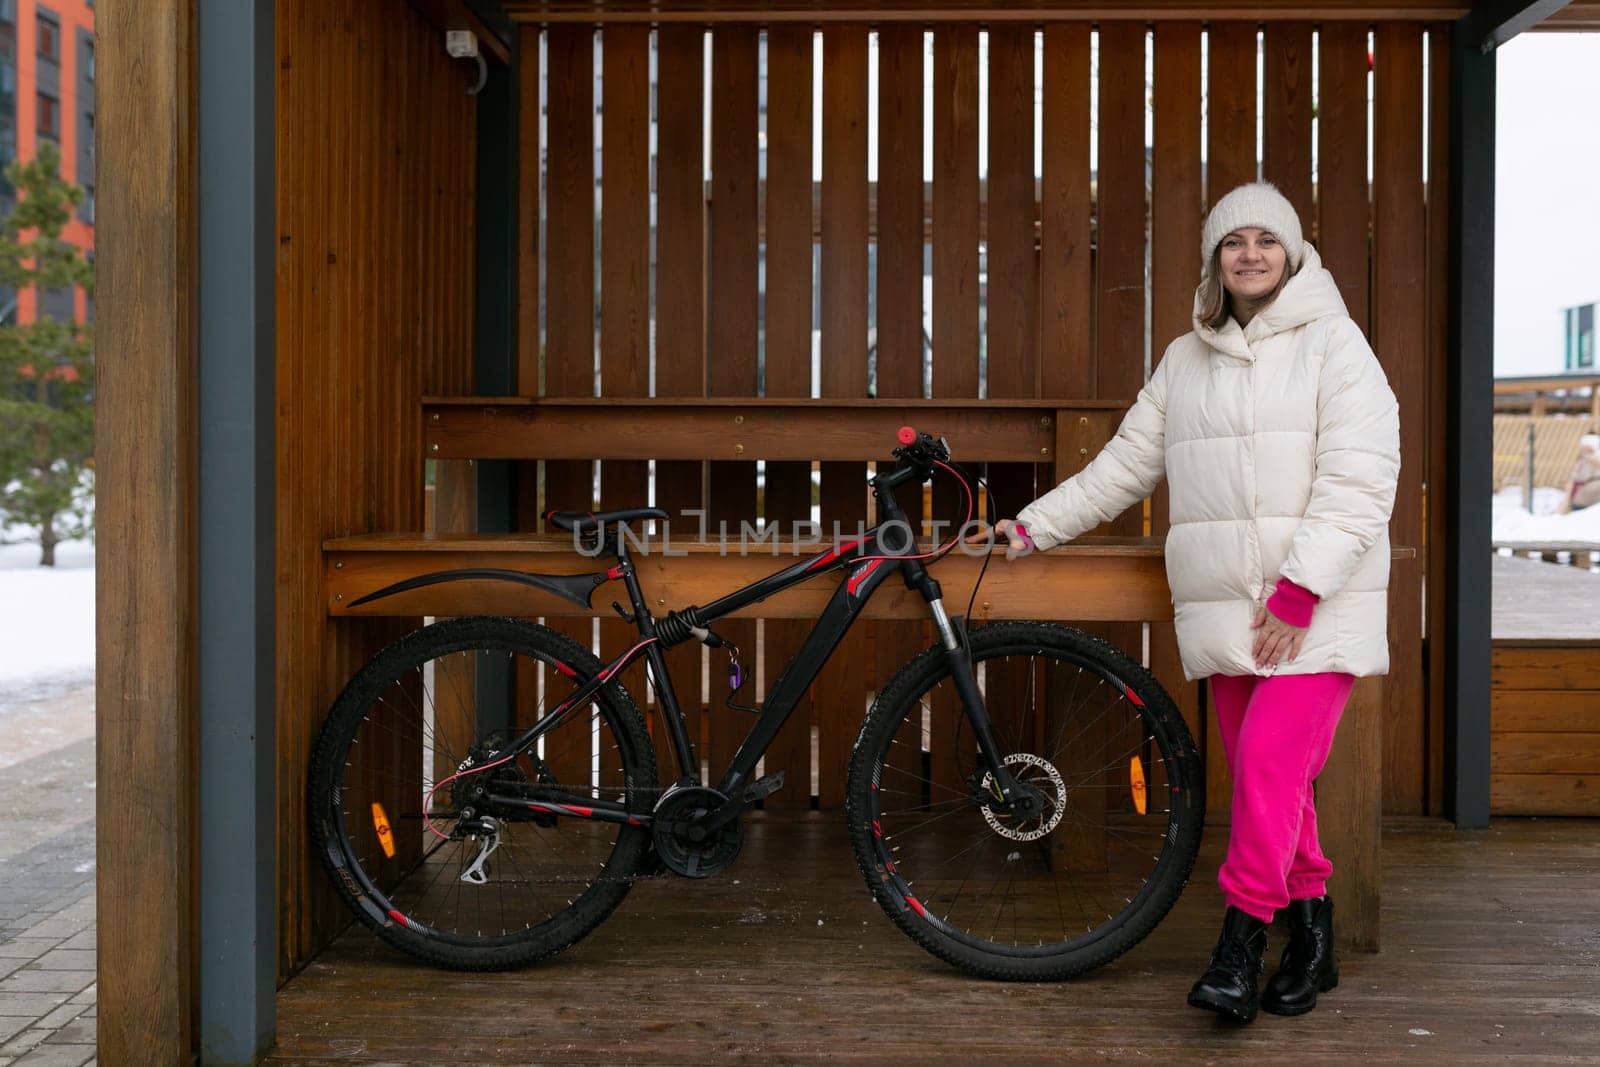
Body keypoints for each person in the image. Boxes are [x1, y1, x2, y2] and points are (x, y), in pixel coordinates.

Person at [969, 182, 1400, 1023]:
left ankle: (1239, 945)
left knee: (1273, 768)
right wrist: (1029, 529)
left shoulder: (1336, 345)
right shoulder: (1184, 358)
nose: (1249, 254)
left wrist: (1301, 589)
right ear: (1214, 259)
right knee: (1272, 783)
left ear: (1293, 252)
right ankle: (1313, 931)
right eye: (1232, 242)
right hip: (1230, 613)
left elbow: (1360, 480)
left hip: (1315, 611)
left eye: (1265, 240)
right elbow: (1124, 466)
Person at [1561, 433, 1600, 513]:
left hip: (1589, 493)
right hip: (1580, 495)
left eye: (1587, 448)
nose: (1583, 450)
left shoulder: (1594, 459)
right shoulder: (1581, 460)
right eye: (1583, 448)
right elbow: (1572, 480)